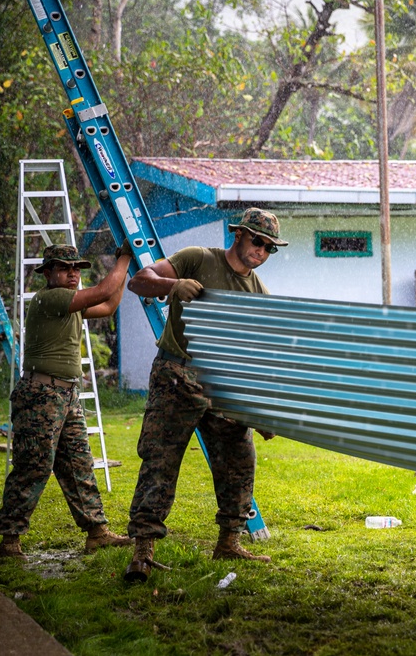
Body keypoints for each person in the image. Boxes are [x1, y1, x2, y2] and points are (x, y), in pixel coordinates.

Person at [123, 208, 286, 582]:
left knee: (240, 460)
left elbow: (253, 357)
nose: (261, 251)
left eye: (269, 248)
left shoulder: (258, 292)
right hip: (176, 375)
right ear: (239, 235)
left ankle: (229, 541)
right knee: (160, 462)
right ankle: (142, 552)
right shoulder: (198, 258)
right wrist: (171, 287)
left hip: (221, 385)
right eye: (257, 241)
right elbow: (139, 282)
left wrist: (259, 410)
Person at [0, 243, 134, 560]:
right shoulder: (50, 298)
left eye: (75, 269)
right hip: (41, 396)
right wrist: (125, 258)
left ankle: (97, 533)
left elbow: (109, 304)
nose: (72, 274)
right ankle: (9, 542)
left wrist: (121, 267)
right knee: (33, 466)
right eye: (63, 268)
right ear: (47, 274)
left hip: (66, 394)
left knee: (78, 464)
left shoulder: (70, 304)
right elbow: (103, 290)